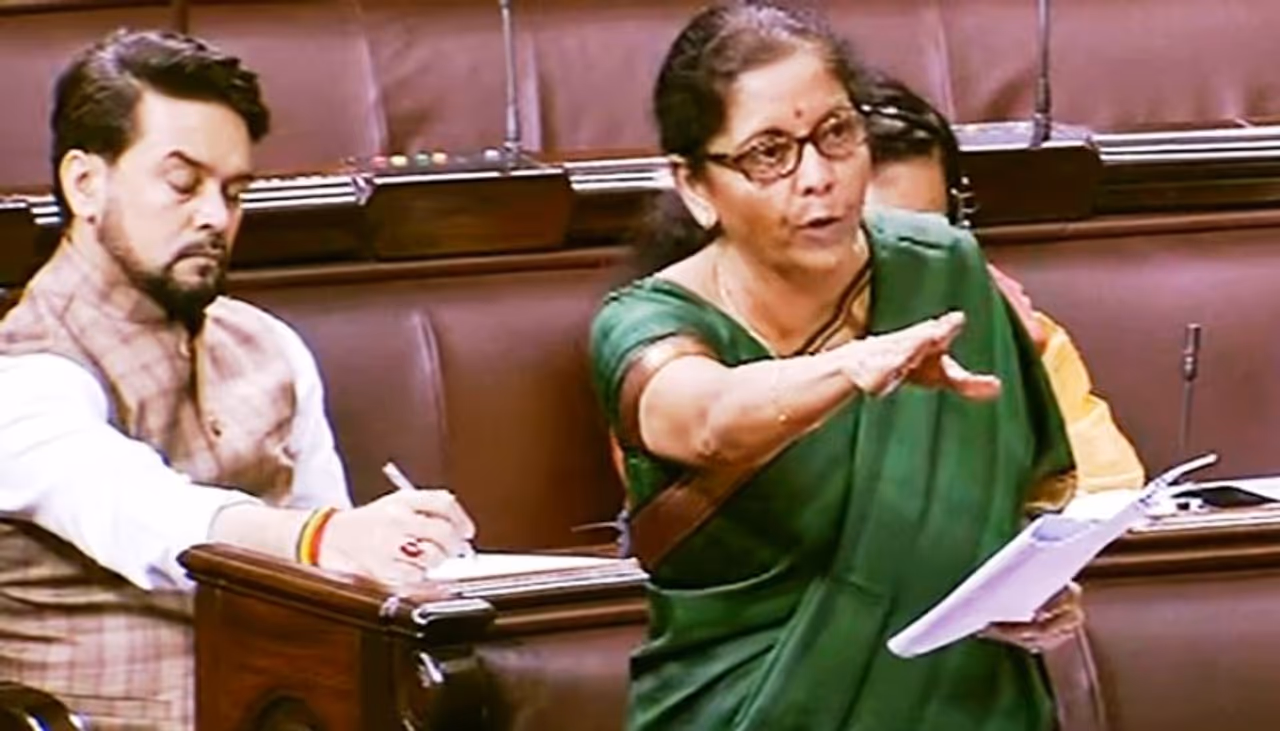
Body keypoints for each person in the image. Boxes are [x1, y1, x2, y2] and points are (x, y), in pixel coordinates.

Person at [591, 2, 1083, 729]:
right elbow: (707, 420)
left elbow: (1022, 494)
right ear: (693, 184)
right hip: (750, 711)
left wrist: (1030, 589)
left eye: (837, 133)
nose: (817, 176)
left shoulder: (942, 268)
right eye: (769, 153)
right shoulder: (643, 323)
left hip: (970, 703)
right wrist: (852, 368)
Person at [0, 29, 475, 730]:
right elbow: (147, 516)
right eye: (182, 184)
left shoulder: (267, 344)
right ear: (85, 183)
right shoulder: (23, 370)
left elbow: (337, 570)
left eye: (234, 191)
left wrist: (387, 547)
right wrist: (324, 537)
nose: (215, 217)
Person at [860, 73, 1146, 493]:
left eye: (928, 236)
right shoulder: (763, 355)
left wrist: (1021, 376)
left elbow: (1109, 494)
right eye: (871, 239)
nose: (902, 262)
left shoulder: (1010, 333)